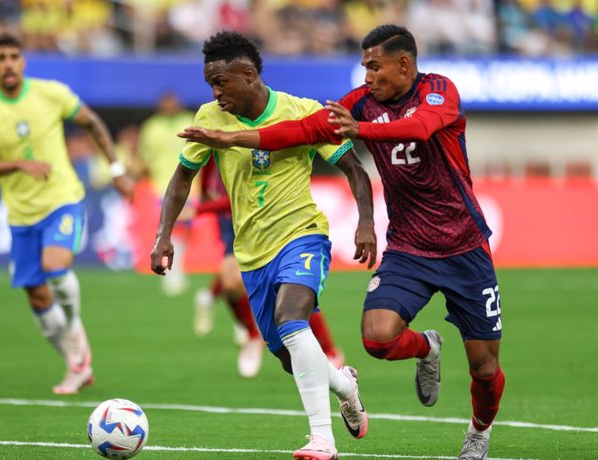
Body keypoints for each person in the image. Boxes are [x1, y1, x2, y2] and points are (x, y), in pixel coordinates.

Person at [179, 24, 506, 460]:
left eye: (375, 66)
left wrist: (359, 131)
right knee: (377, 339)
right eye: (364, 66)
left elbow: (422, 129)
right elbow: (301, 131)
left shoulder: (438, 91)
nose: (367, 76)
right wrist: (231, 138)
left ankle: (479, 433)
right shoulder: (360, 105)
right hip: (409, 246)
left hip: (465, 245)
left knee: (484, 368)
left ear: (404, 63)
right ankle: (428, 345)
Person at [152, 30, 374, 460]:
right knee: (292, 357)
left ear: (249, 75)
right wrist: (164, 234)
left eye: (222, 83)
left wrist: (365, 221)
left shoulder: (302, 112)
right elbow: (183, 177)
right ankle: (345, 384)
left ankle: (322, 440)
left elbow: (354, 169)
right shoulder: (209, 117)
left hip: (302, 234)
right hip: (251, 252)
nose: (215, 93)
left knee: (293, 321)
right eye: (210, 85)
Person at [0, 32, 134, 395]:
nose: (8, 63)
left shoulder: (51, 93)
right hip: (21, 214)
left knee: (56, 267)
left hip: (62, 200)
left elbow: (91, 122)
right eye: (1, 58)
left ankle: (75, 332)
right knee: (36, 295)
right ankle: (77, 363)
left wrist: (117, 170)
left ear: (23, 61)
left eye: (14, 56)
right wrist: (19, 164)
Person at [194, 156, 346, 379]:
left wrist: (201, 208)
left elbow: (249, 195)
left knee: (289, 288)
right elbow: (205, 156)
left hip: (271, 217)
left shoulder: (260, 134)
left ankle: (329, 349)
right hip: (235, 219)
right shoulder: (216, 125)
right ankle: (252, 335)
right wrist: (205, 190)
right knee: (229, 282)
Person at [139, 91, 196, 296]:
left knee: (184, 231)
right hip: (162, 186)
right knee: (171, 229)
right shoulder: (151, 127)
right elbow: (144, 157)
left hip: (191, 185)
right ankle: (173, 276)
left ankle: (175, 271)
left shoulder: (189, 121)